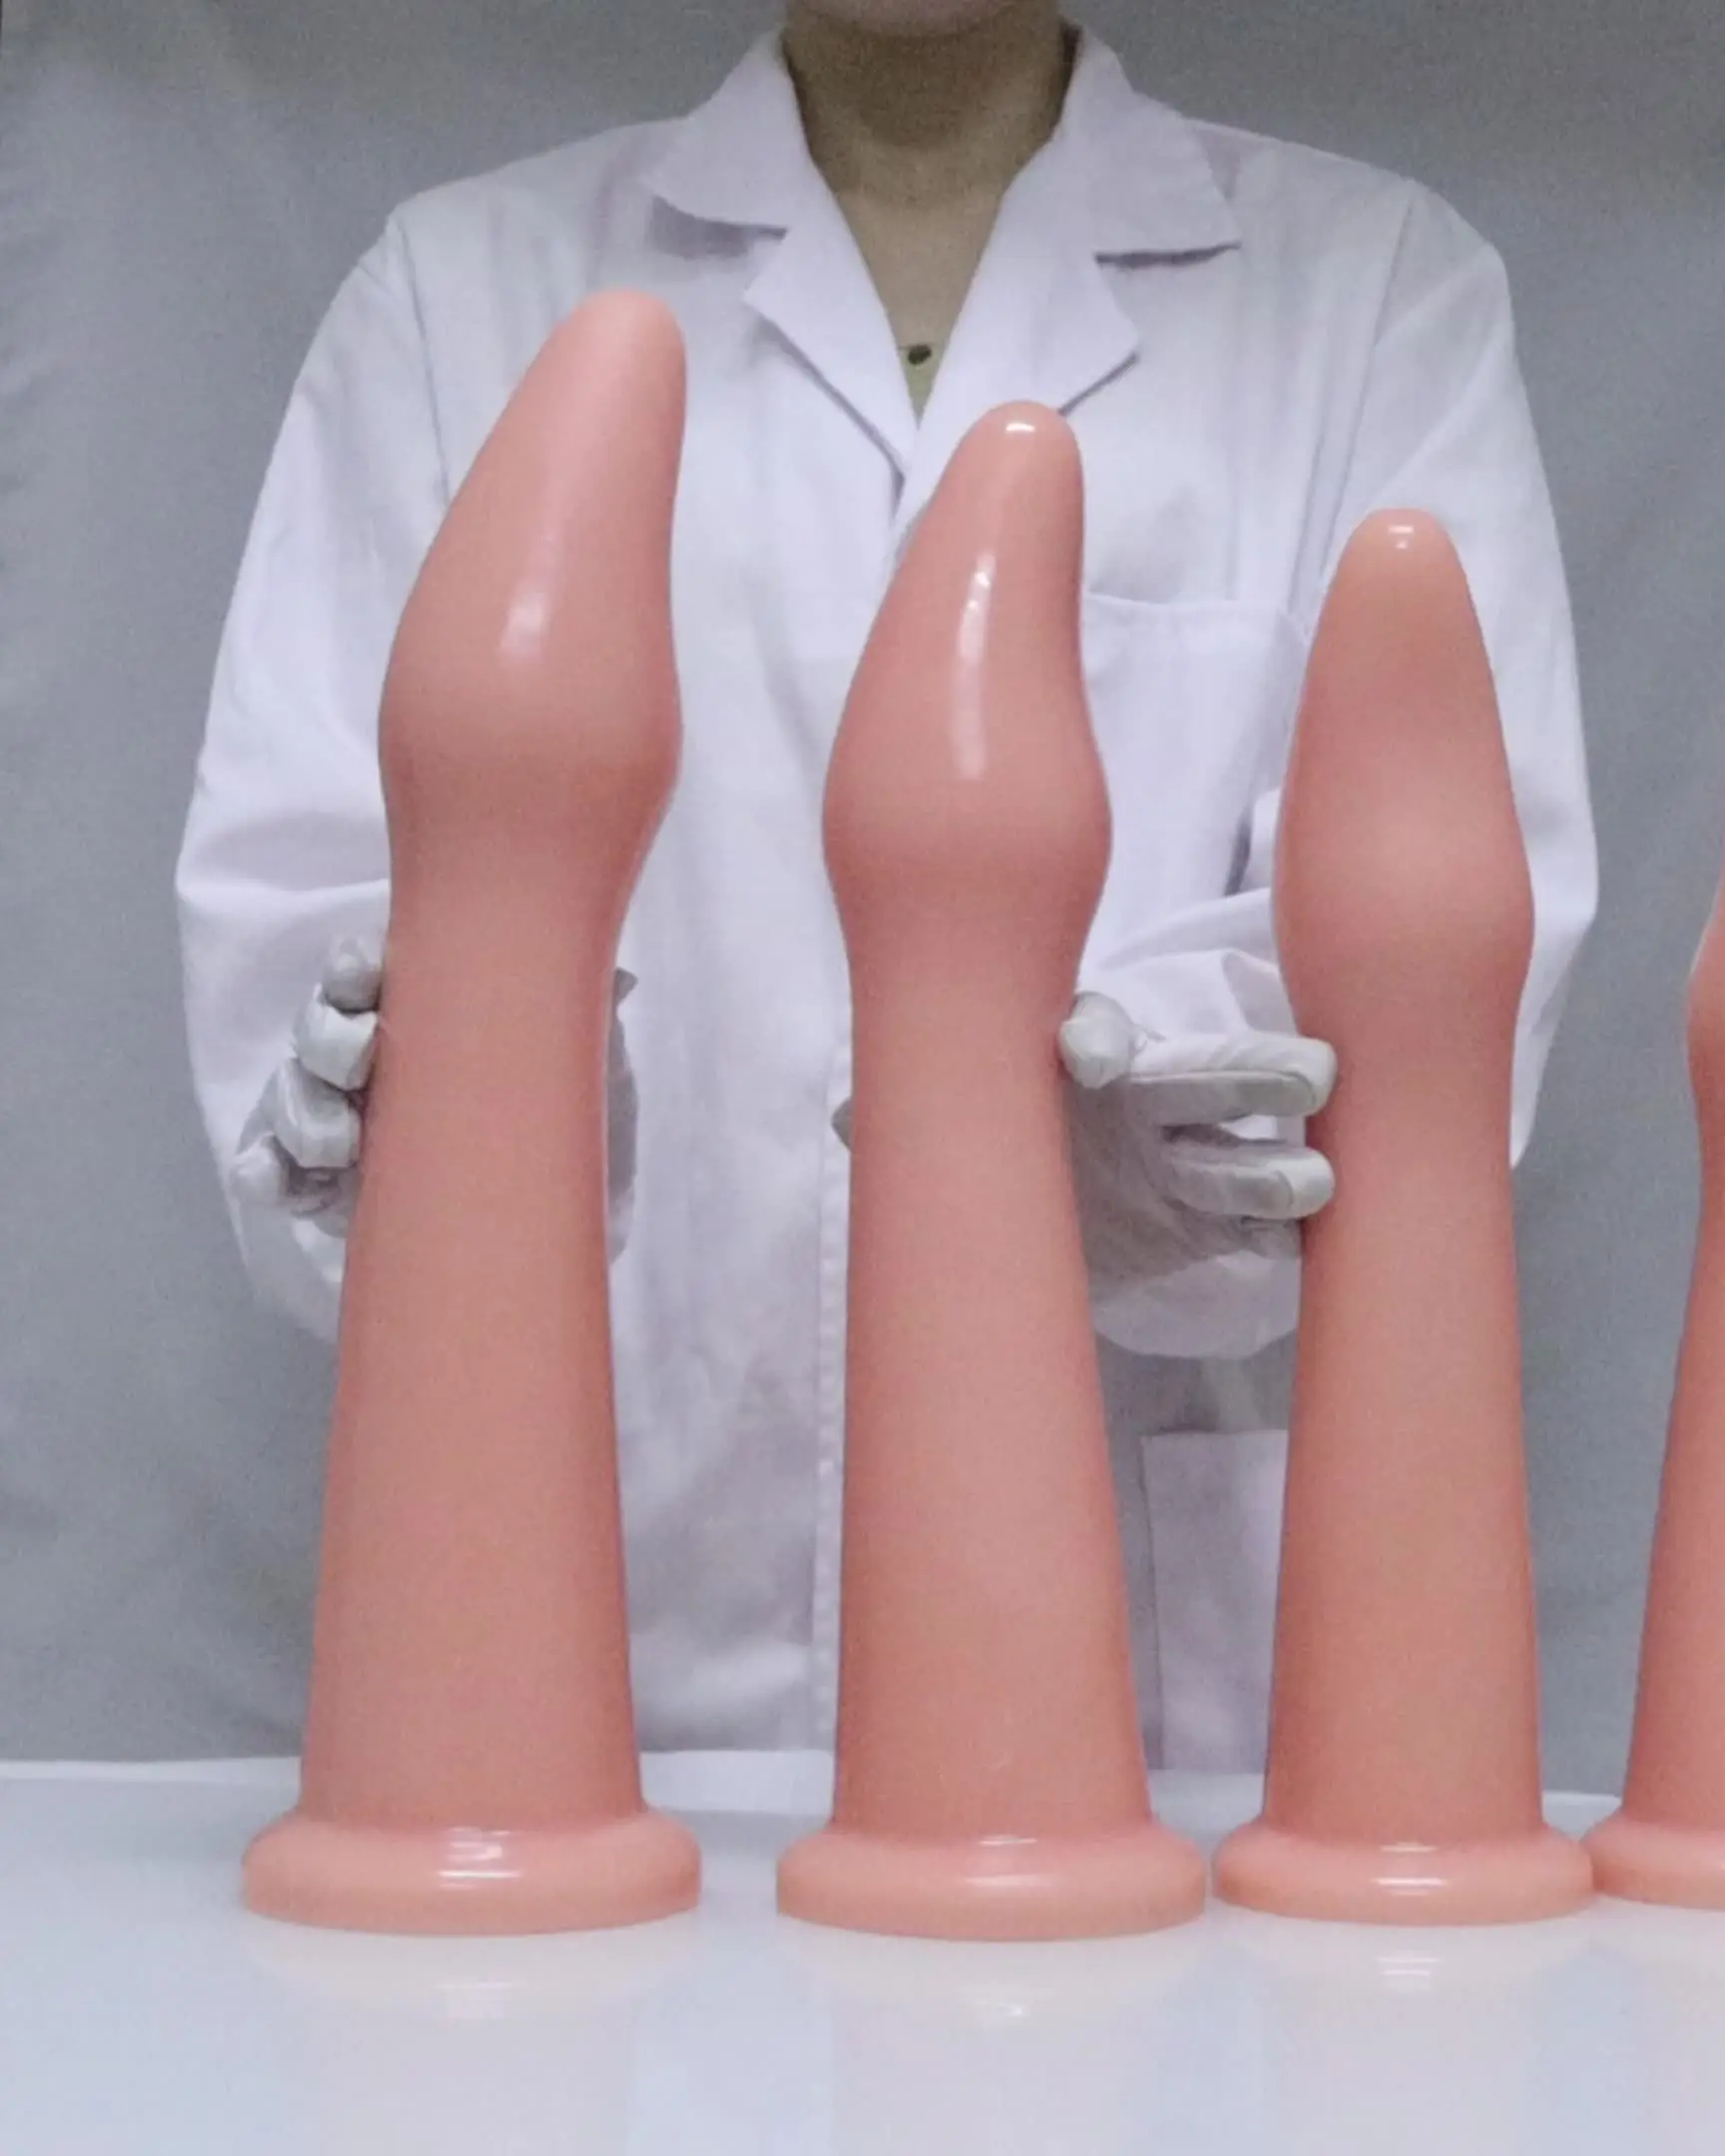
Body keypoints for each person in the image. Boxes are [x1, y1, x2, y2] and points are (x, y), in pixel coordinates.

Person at [176, 0, 1596, 1770]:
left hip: (1144, 1691)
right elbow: (301, 910)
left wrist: (1148, 1119)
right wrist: (467, 1088)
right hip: (585, 1606)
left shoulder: (1376, 294)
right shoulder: (458, 294)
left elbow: (1444, 925)